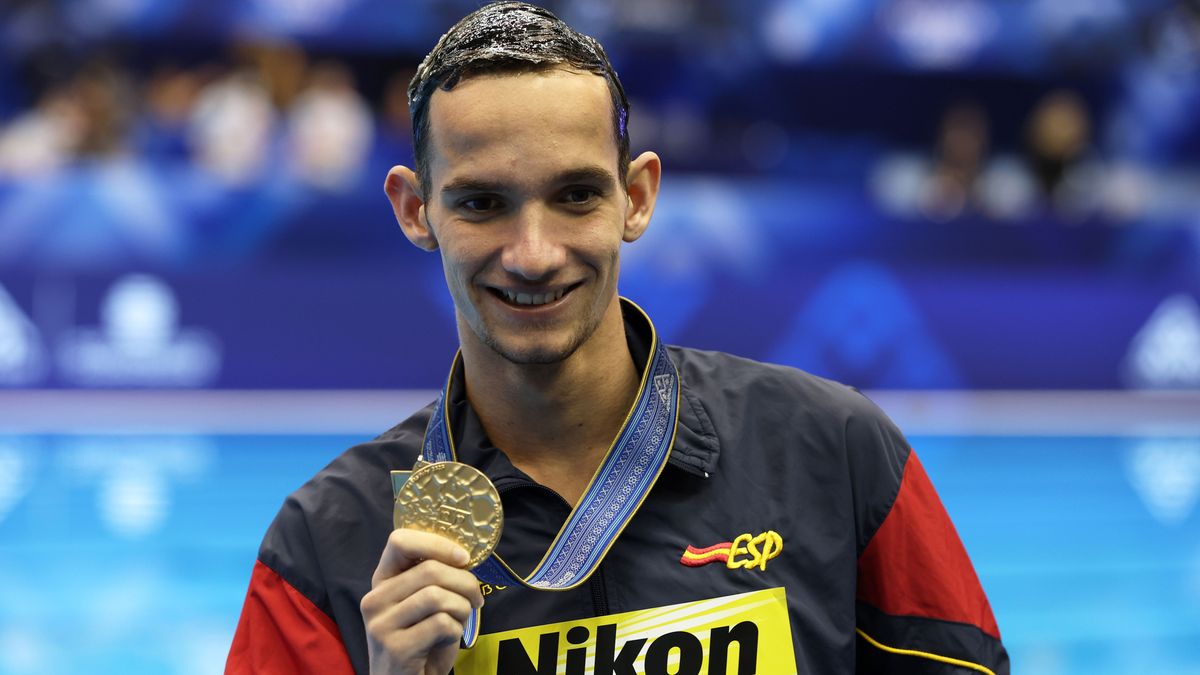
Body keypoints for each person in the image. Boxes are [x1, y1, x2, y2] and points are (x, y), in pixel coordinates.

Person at [225, 3, 1009, 674]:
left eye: (575, 195)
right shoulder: (327, 544)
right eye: (482, 203)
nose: (532, 252)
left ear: (636, 198)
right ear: (414, 210)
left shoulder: (834, 452)